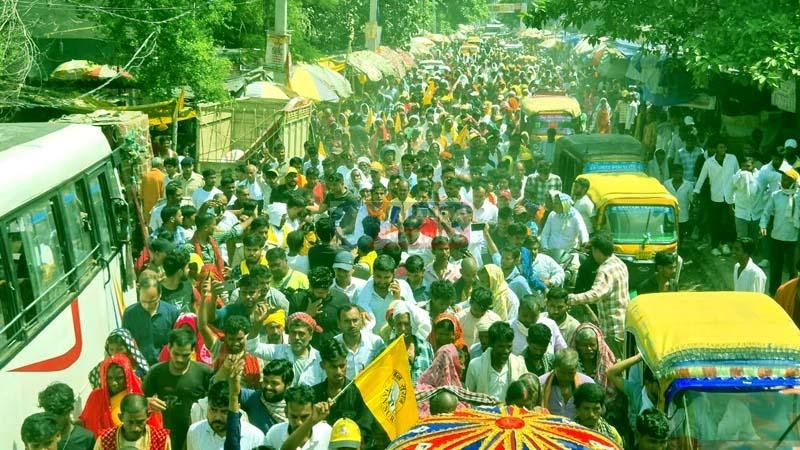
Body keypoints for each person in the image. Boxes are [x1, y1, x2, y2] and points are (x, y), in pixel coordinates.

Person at [143, 328, 213, 450]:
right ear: (169, 347)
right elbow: (138, 400)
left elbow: (216, 401)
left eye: (185, 355)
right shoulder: (155, 372)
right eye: (176, 354)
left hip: (196, 436)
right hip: (165, 438)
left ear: (192, 351)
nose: (179, 359)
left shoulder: (204, 372)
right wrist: (147, 402)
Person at [567, 234, 629, 358]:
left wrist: (570, 299)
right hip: (624, 324)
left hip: (612, 329)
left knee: (614, 365)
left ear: (597, 250)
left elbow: (595, 294)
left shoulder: (605, 270)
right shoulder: (620, 263)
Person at [311, 339, 377, 447]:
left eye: (342, 366)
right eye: (333, 367)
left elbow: (364, 431)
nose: (338, 372)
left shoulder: (359, 393)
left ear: (346, 363)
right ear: (322, 365)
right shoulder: (313, 394)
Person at [80, 355, 162, 437]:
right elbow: (85, 423)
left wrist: (144, 405)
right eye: (109, 378)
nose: (114, 383)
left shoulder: (140, 398)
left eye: (119, 378)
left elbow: (153, 431)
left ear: (127, 376)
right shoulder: (95, 397)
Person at [246, 310, 325, 386]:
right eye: (293, 333)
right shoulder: (279, 351)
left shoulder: (319, 358)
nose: (297, 337)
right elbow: (253, 347)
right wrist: (257, 324)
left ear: (310, 335)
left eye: (301, 334)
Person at [186, 380, 264, 449]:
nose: (217, 417)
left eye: (224, 412)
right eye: (213, 410)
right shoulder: (195, 432)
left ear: (236, 409)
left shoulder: (255, 437)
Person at [694, 136, 739, 256]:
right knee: (715, 222)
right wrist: (696, 192)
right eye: (720, 147)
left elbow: (738, 174)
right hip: (716, 197)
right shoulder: (709, 162)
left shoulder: (732, 159)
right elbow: (702, 178)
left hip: (730, 196)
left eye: (724, 147)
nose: (722, 149)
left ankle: (724, 245)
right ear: (715, 149)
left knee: (727, 222)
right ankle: (714, 246)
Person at [123, 275, 179, 365]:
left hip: (165, 367)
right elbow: (125, 343)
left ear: (160, 295)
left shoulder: (172, 313)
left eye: (152, 301)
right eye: (143, 301)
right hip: (139, 368)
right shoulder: (129, 314)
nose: (147, 306)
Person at [761, 166, 800, 294]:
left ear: (794, 182)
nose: (784, 182)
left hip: (793, 240)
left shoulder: (798, 197)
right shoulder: (775, 195)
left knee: (793, 270)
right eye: (783, 179)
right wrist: (763, 226)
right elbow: (766, 213)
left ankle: (791, 295)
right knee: (776, 268)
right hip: (776, 237)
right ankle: (774, 293)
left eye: (788, 180)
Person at [465, 321, 528, 399]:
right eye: (501, 346)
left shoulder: (519, 364)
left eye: (509, 346)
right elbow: (468, 396)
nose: (506, 351)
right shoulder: (475, 365)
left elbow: (526, 394)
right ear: (491, 344)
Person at [356, 255, 415, 332]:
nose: (382, 281)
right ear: (373, 273)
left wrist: (398, 300)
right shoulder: (361, 290)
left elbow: (413, 315)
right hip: (373, 340)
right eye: (378, 277)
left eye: (387, 277)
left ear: (393, 274)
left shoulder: (403, 287)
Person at [263, 385, 332, 450]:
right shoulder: (274, 434)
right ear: (286, 412)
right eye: (294, 416)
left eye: (304, 417)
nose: (299, 422)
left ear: (313, 411)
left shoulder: (326, 432)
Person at [94, 394, 172, 450]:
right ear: (121, 417)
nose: (135, 428)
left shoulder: (161, 440)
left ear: (148, 416)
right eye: (130, 422)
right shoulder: (105, 440)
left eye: (140, 422)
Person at [607, 353, 660, 431]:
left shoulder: (671, 397)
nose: (663, 386)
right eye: (659, 382)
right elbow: (611, 373)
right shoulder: (636, 392)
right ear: (648, 383)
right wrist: (640, 357)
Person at [539, 348, 595, 419]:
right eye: (562, 373)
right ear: (554, 367)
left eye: (571, 373)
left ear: (576, 368)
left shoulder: (588, 384)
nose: (566, 377)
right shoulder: (541, 383)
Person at [334, 305, 386, 379]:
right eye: (347, 321)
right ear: (339, 323)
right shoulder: (333, 344)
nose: (352, 325)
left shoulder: (375, 342)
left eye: (355, 320)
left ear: (361, 320)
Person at [37, 383, 95, 449]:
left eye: (59, 413)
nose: (55, 418)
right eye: (50, 413)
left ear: (70, 409)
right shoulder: (39, 437)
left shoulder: (86, 438)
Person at [391, 300, 435, 382]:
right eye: (399, 324)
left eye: (406, 324)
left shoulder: (426, 347)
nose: (403, 329)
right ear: (394, 325)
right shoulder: (388, 349)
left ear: (412, 325)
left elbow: (432, 376)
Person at [570, 323, 617, 387]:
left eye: (592, 345)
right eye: (584, 345)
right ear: (577, 345)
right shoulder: (570, 365)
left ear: (598, 344)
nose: (589, 349)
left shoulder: (608, 363)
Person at [664, 165, 694, 251]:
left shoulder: (688, 185)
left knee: (680, 236)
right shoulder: (666, 184)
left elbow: (691, 200)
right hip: (669, 215)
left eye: (680, 173)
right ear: (672, 174)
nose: (679, 175)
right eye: (676, 173)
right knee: (670, 235)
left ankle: (679, 252)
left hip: (683, 216)